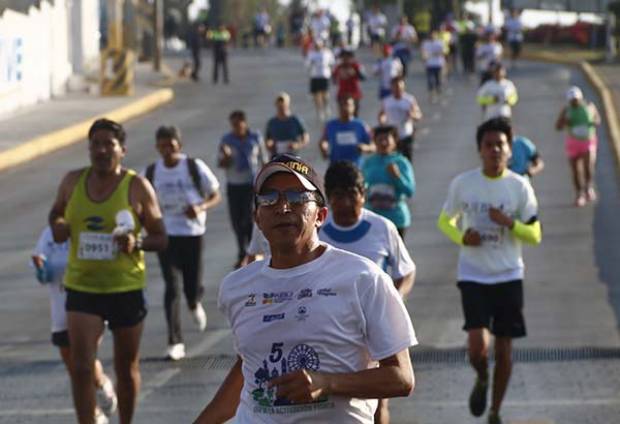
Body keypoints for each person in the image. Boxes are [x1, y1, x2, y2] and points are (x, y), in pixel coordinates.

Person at [194, 153, 417, 423]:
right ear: (258, 217)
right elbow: (249, 365)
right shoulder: (237, 287)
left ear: (321, 215)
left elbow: (402, 378)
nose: (282, 207)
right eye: (269, 198)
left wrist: (330, 383)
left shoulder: (363, 278)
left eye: (297, 197)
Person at [48, 118, 168, 424]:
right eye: (95, 144)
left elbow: (161, 236)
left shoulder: (137, 187)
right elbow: (56, 213)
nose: (101, 150)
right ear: (89, 149)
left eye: (108, 144)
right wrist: (59, 226)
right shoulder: (72, 181)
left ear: (122, 150)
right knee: (81, 367)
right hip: (82, 287)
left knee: (125, 368)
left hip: (124, 288)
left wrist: (136, 241)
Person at [437, 117, 542, 424]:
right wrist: (462, 237)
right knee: (477, 347)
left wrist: (510, 223)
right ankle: (482, 377)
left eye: (501, 145)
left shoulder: (520, 186)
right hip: (473, 274)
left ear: (510, 150)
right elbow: (445, 221)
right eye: (489, 145)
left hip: (509, 274)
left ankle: (495, 411)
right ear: (480, 150)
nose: (495, 150)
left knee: (505, 348)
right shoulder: (463, 184)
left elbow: (535, 235)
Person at [320, 160, 416, 424]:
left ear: (363, 194)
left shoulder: (382, 228)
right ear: (328, 198)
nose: (347, 202)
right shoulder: (317, 232)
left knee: (378, 405)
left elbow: (406, 271)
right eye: (339, 195)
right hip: (331, 326)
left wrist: (397, 297)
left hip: (374, 326)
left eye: (353, 194)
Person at [144, 125, 221, 361]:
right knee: (172, 286)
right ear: (157, 146)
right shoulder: (151, 172)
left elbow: (215, 194)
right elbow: (140, 202)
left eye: (171, 144)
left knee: (191, 285)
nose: (167, 149)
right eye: (163, 145)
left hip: (192, 232)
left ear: (179, 144)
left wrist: (200, 207)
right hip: (166, 235)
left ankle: (194, 302)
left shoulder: (193, 167)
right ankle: (174, 341)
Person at [32, 226, 117, 424]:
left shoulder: (90, 229)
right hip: (61, 309)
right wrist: (40, 267)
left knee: (84, 358)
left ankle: (101, 383)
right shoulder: (49, 234)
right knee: (72, 364)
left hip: (89, 303)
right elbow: (42, 274)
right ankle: (94, 411)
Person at [218, 110, 268, 268]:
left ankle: (249, 252)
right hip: (234, 185)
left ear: (244, 123)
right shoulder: (226, 140)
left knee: (248, 218)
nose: (236, 127)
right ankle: (242, 250)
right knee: (236, 220)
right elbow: (221, 164)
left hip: (251, 185)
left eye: (238, 124)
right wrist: (226, 157)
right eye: (233, 125)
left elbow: (264, 160)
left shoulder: (255, 138)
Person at [362, 126, 415, 238]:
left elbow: (410, 191)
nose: (383, 142)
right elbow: (361, 187)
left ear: (395, 141)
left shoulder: (402, 162)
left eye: (386, 139)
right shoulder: (368, 163)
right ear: (374, 141)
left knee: (395, 255)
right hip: (373, 218)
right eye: (379, 139)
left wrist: (397, 176)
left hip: (396, 218)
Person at [555, 86, 601, 207]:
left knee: (588, 167)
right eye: (572, 100)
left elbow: (597, 119)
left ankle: (588, 188)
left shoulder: (589, 106)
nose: (574, 102)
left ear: (580, 98)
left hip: (588, 141)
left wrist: (593, 122)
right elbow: (558, 126)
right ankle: (579, 194)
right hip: (573, 142)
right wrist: (565, 121)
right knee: (576, 171)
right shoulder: (566, 110)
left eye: (576, 99)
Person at [319, 96, 374, 167]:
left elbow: (374, 146)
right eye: (342, 105)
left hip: (356, 167)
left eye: (348, 105)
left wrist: (366, 148)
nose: (344, 107)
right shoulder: (330, 125)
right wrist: (323, 147)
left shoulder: (361, 125)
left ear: (354, 107)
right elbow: (324, 140)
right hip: (336, 166)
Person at [381, 76, 423, 162]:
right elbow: (381, 114)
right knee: (392, 160)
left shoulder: (409, 100)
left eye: (399, 87)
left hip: (406, 135)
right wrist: (382, 121)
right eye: (395, 87)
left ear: (403, 87)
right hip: (392, 136)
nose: (397, 90)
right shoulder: (387, 101)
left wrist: (413, 115)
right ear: (391, 88)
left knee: (406, 160)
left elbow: (418, 115)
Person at [265, 92, 309, 157]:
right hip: (276, 156)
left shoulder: (295, 120)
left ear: (288, 104)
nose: (281, 106)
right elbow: (268, 139)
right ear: (276, 104)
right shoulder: (272, 122)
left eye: (283, 104)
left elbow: (306, 137)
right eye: (279, 104)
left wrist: (297, 145)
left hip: (293, 156)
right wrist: (269, 145)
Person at [305, 39, 336, 122]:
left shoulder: (327, 53)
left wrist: (331, 71)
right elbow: (307, 64)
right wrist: (311, 63)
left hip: (324, 75)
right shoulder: (311, 53)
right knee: (316, 95)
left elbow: (332, 62)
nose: (317, 46)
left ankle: (326, 106)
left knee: (325, 93)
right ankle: (319, 111)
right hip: (314, 76)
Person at [332, 49, 365, 116]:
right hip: (342, 94)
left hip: (354, 93)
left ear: (351, 58)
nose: (345, 59)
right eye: (343, 57)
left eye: (348, 57)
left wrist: (355, 73)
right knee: (343, 115)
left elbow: (363, 77)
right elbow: (334, 79)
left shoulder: (356, 66)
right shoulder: (338, 67)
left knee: (355, 114)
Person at [420, 30, 446, 101]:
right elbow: (423, 53)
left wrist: (433, 53)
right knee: (430, 81)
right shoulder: (426, 43)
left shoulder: (440, 43)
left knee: (438, 81)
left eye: (434, 35)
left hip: (438, 64)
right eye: (431, 35)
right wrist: (424, 58)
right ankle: (431, 95)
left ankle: (437, 91)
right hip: (429, 65)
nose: (432, 36)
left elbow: (443, 52)